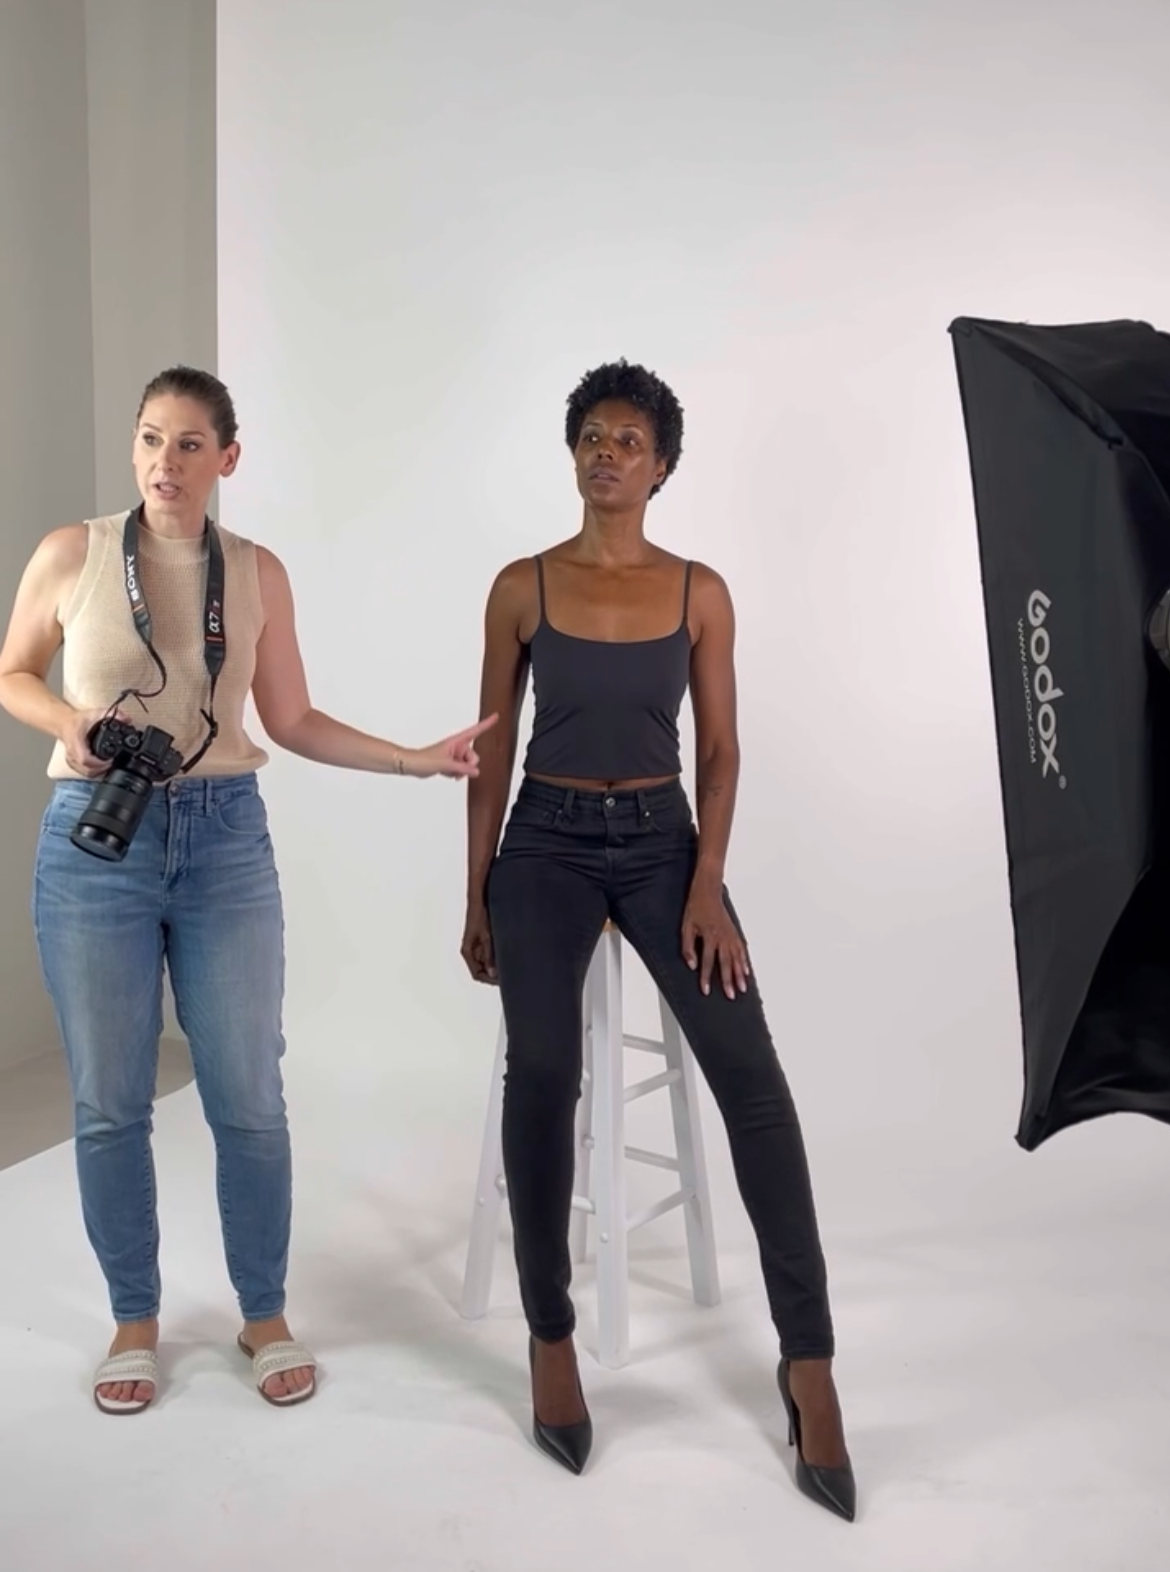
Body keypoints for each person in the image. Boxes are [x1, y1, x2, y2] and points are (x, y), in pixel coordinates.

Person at [0, 366, 495, 1415]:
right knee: (108, 1100)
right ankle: (134, 1319)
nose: (165, 463)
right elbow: (12, 673)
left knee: (250, 1097)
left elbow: (294, 718)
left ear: (227, 457)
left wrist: (415, 760)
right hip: (97, 839)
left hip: (224, 838)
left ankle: (262, 1312)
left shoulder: (257, 570)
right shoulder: (71, 553)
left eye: (189, 444)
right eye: (150, 439)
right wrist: (69, 724)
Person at [461, 360, 855, 1520]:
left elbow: (722, 751)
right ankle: (550, 1334)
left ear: (663, 466)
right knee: (545, 1071)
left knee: (753, 1079)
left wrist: (707, 886)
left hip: (664, 845)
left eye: (630, 440)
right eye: (592, 435)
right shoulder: (522, 587)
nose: (608, 453)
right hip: (544, 843)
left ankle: (810, 1361)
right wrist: (478, 891)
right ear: (572, 454)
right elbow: (491, 751)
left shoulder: (699, 592)